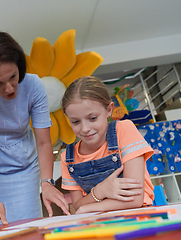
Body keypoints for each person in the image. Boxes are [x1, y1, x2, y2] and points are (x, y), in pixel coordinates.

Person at [0, 31, 69, 227]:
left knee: (29, 225)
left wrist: (47, 182)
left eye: (13, 77)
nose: (9, 88)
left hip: (26, 164)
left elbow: (43, 140)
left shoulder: (34, 84)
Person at [60, 76, 154, 214]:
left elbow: (135, 199)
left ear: (109, 109)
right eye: (75, 122)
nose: (85, 128)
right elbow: (78, 204)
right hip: (98, 224)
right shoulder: (67, 158)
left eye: (92, 118)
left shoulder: (124, 130)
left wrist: (90, 205)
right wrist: (100, 191)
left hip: (138, 216)